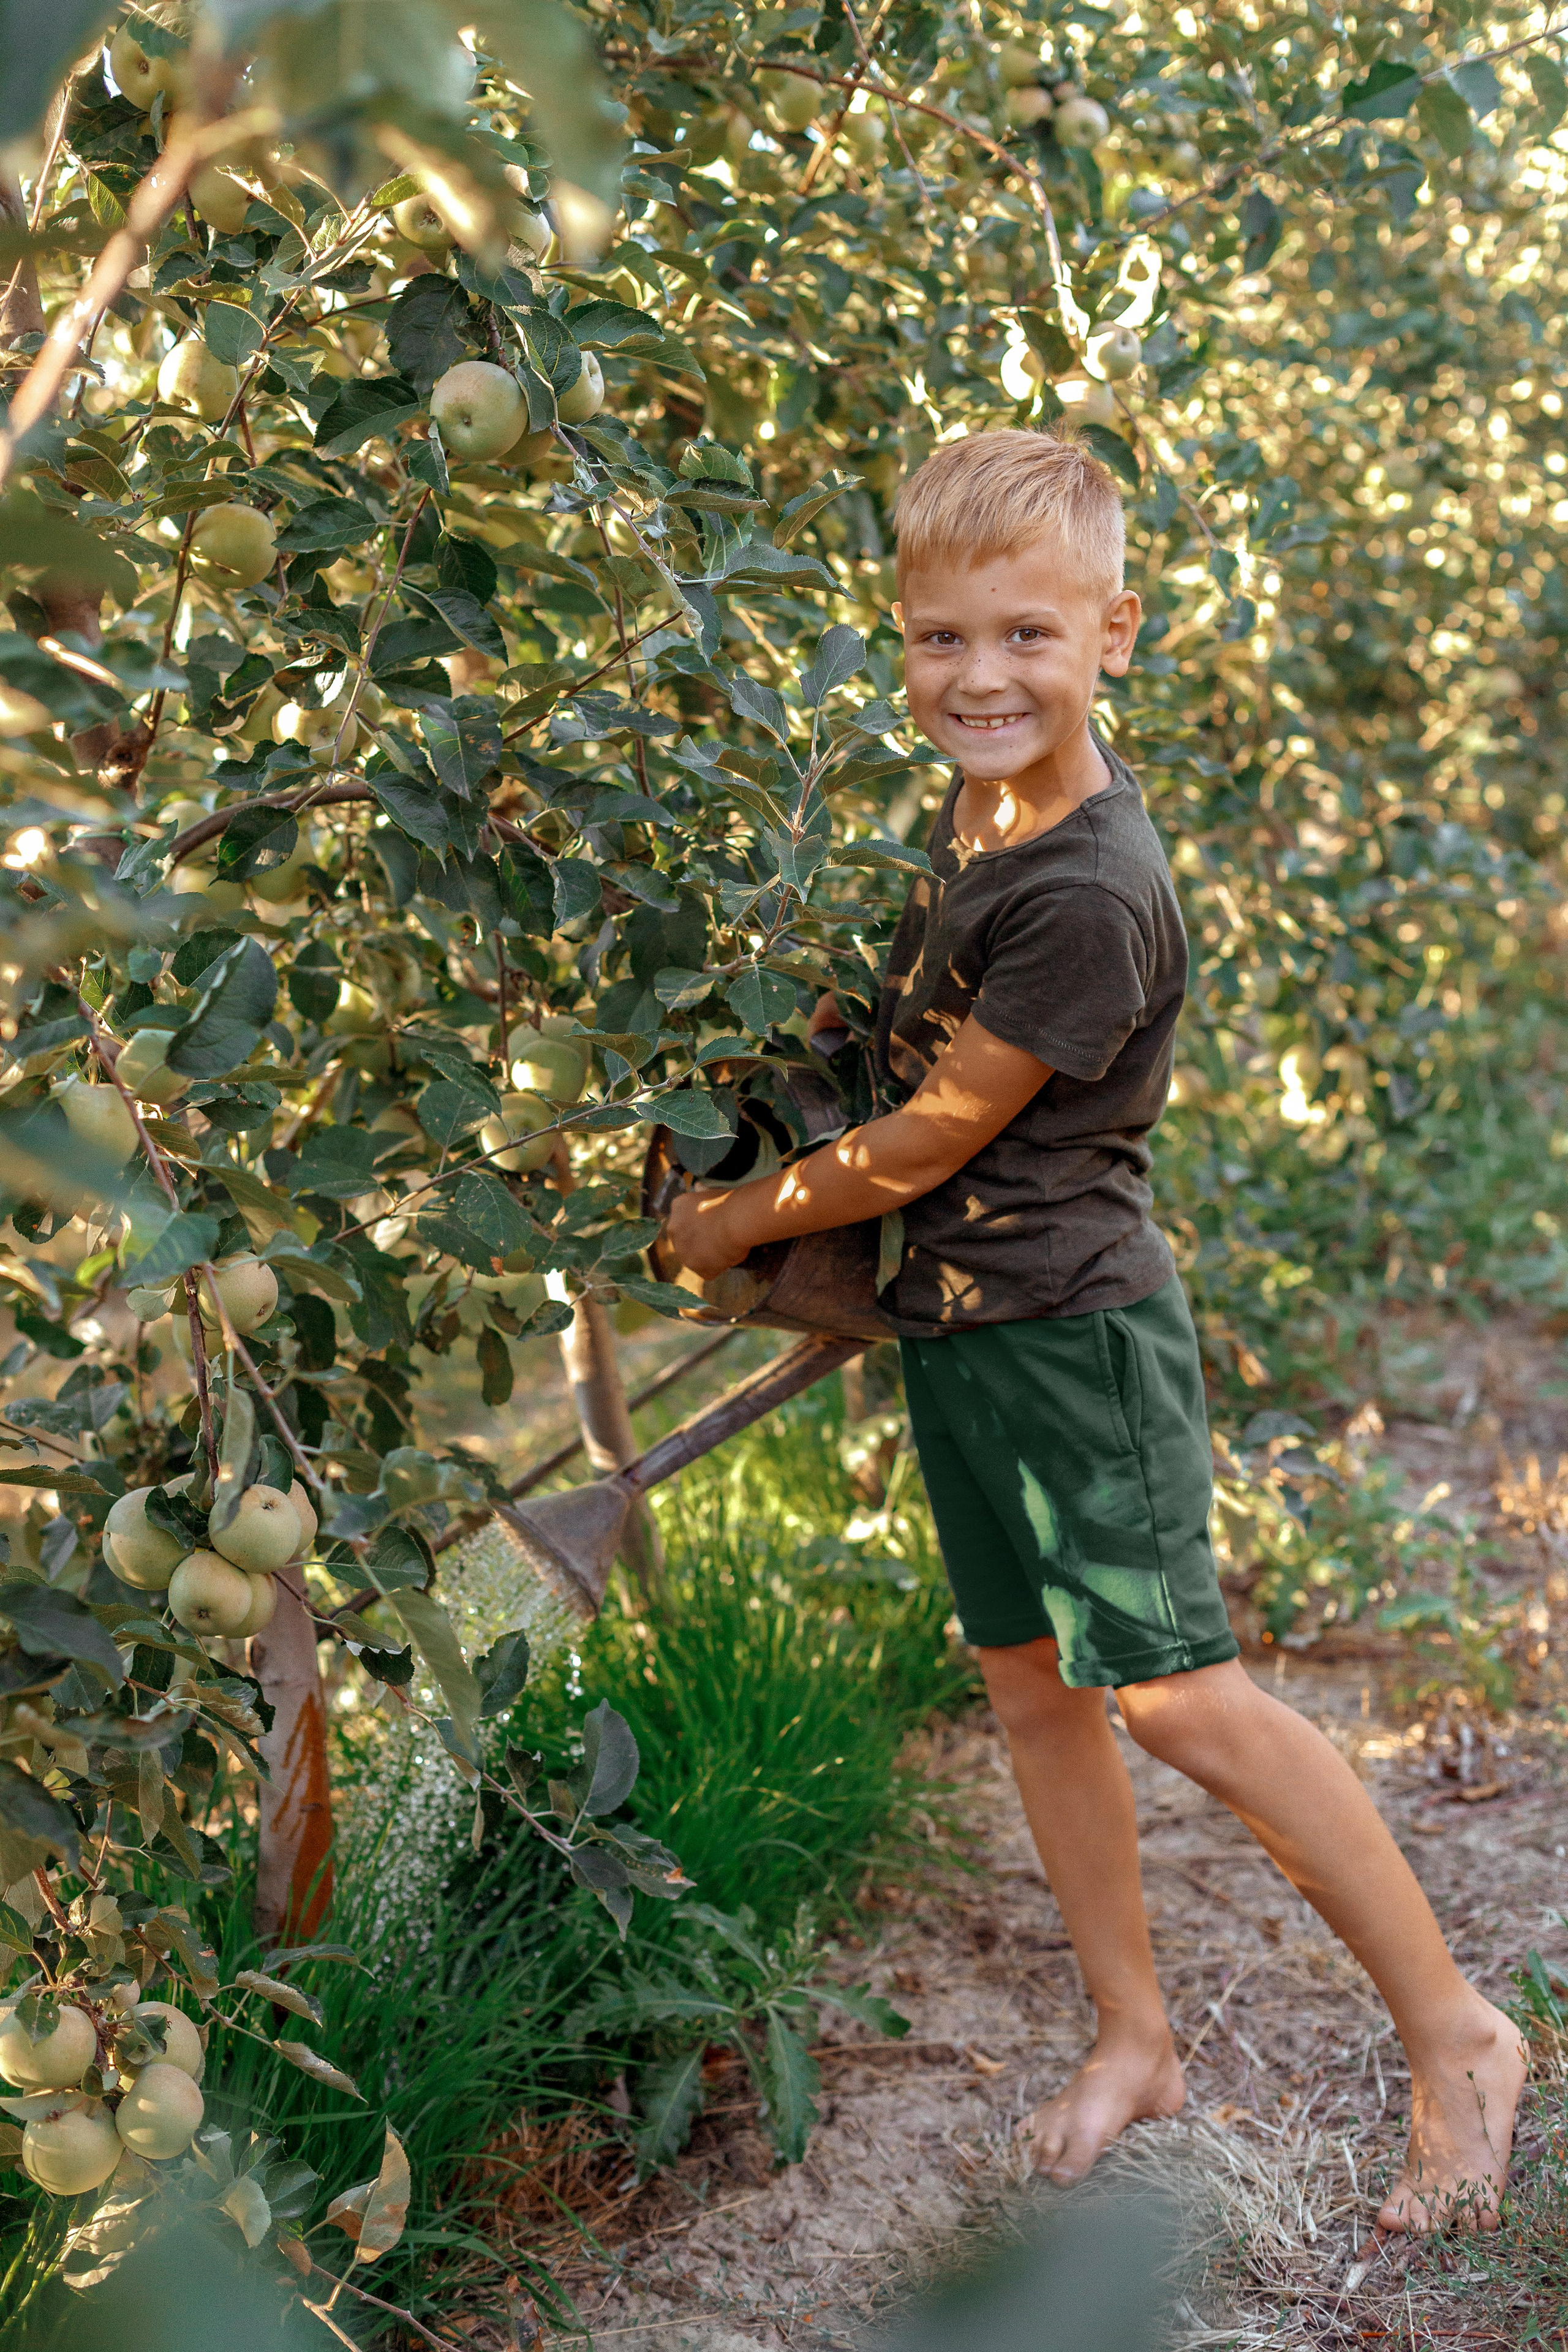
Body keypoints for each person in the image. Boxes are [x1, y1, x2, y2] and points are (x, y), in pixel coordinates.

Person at [664, 428, 1526, 2234]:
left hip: (1074, 1338)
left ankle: (1458, 2035)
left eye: (1026, 639)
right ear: (901, 639)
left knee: (1181, 1697)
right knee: (1034, 1690)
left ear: (1112, 632)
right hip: (968, 1333)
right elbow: (889, 1030)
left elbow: (933, 1134)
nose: (981, 679)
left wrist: (739, 1216)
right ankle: (1136, 2038)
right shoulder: (980, 813)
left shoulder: (1085, 884)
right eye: (941, 641)